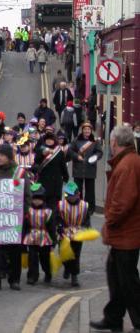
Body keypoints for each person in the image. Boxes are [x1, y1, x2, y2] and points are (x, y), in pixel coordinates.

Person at [90, 125, 140, 332]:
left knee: (127, 281)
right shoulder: (130, 161)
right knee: (116, 276)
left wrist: (109, 221)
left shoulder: (127, 165)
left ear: (115, 143)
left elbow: (123, 202)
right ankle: (113, 318)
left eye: (110, 142)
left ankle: (137, 321)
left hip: (126, 234)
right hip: (126, 233)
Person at [0, 143, 30, 291]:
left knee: (14, 251)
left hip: (14, 216)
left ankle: (14, 280)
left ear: (9, 157)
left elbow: (27, 195)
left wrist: (25, 213)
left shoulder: (20, 172)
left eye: (2, 155)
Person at [57, 182, 90, 287]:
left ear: (78, 194)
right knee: (63, 254)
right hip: (64, 232)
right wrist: (59, 226)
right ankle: (67, 268)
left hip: (77, 233)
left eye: (72, 195)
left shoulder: (84, 206)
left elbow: (86, 219)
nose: (70, 197)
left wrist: (86, 227)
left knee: (75, 255)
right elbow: (57, 218)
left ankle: (74, 276)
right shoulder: (61, 205)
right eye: (67, 195)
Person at [68, 122, 103, 215]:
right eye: (85, 129)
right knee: (78, 190)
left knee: (90, 191)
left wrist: (95, 157)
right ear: (82, 130)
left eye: (89, 129)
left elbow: (99, 152)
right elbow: (70, 151)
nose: (87, 131)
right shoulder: (76, 140)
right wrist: (76, 156)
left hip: (90, 168)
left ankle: (90, 209)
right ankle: (78, 206)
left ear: (91, 131)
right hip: (78, 168)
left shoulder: (95, 141)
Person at [24, 183, 55, 285]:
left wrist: (53, 241)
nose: (37, 201)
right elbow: (25, 226)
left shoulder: (48, 212)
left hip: (44, 238)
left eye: (39, 198)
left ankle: (48, 272)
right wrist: (23, 237)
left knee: (44, 258)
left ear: (43, 199)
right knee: (32, 258)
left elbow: (51, 228)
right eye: (34, 198)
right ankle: (32, 276)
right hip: (31, 237)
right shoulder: (28, 211)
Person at [33, 132, 70, 210]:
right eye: (47, 140)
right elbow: (36, 162)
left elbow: (63, 165)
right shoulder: (40, 150)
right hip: (43, 180)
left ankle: (54, 219)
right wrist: (42, 154)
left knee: (54, 204)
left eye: (51, 140)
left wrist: (66, 176)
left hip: (55, 181)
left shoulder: (59, 152)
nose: (49, 141)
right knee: (43, 201)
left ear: (54, 141)